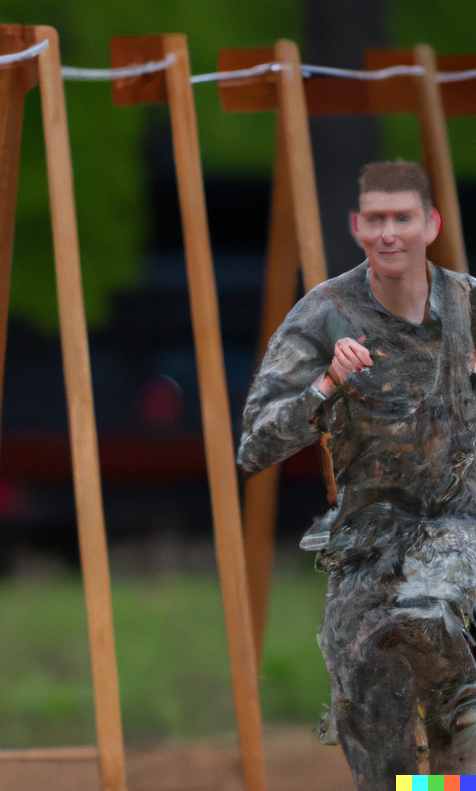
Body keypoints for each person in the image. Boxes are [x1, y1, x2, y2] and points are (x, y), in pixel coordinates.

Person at [239, 160, 476, 786]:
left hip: (459, 529)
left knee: (431, 618)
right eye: (376, 219)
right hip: (367, 541)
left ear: (431, 225)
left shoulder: (467, 305)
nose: (389, 232)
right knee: (373, 731)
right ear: (358, 227)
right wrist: (326, 386)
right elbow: (256, 444)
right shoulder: (325, 314)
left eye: (403, 218)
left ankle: (463, 733)